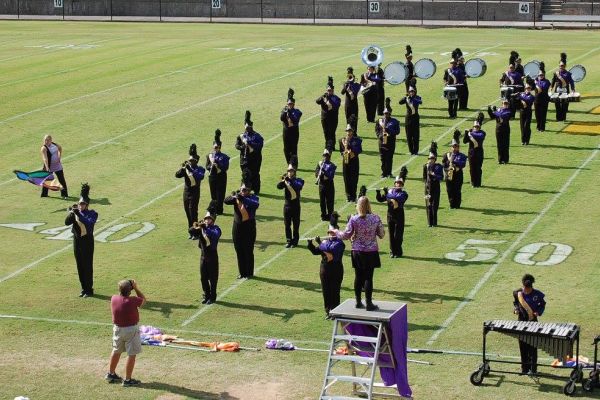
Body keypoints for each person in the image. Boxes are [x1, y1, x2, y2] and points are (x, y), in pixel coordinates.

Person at [333, 194, 384, 311]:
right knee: (368, 278)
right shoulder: (376, 218)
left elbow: (346, 235)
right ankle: (369, 303)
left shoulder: (354, 219)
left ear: (358, 206)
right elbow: (381, 234)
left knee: (358, 276)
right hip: (371, 251)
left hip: (357, 251)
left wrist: (336, 231)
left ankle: (357, 302)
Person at [106, 279, 146, 386]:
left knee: (116, 351)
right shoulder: (132, 300)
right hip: (131, 330)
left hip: (117, 329)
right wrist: (137, 288)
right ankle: (128, 380)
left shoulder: (114, 298)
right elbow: (143, 301)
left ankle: (111, 374)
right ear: (130, 290)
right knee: (132, 354)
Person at [307, 214, 345, 319]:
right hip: (324, 270)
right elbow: (316, 252)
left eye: (332, 232)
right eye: (329, 232)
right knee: (326, 291)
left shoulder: (339, 244)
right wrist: (310, 245)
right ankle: (328, 311)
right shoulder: (326, 242)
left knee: (335, 291)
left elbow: (330, 256)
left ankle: (335, 311)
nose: (330, 234)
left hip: (335, 270)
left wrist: (320, 243)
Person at [65, 183, 98, 297]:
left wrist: (78, 213)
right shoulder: (75, 212)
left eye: (82, 204)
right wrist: (71, 213)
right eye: (79, 204)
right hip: (77, 241)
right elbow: (66, 223)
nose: (80, 205)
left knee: (87, 265)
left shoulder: (93, 213)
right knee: (79, 265)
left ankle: (89, 289)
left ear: (87, 204)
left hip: (87, 242)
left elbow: (89, 224)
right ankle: (83, 288)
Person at [224, 183, 259, 279]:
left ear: (249, 191)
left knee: (248, 249)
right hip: (237, 226)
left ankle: (249, 273)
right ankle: (242, 272)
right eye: (242, 189)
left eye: (245, 190)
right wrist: (235, 196)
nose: (243, 192)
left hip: (249, 226)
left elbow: (255, 204)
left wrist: (242, 198)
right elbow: (226, 201)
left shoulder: (254, 198)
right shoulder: (237, 198)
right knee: (238, 249)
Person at [513, 274, 546, 375]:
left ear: (531, 287)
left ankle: (533, 369)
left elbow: (542, 304)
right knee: (522, 346)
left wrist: (538, 312)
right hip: (521, 322)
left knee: (532, 346)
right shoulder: (518, 293)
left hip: (533, 323)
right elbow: (516, 303)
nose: (525, 291)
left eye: (527, 289)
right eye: (524, 288)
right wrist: (516, 309)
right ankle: (524, 369)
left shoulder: (538, 294)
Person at [189, 212, 221, 304]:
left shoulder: (216, 228)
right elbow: (190, 231)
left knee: (213, 278)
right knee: (203, 278)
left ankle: (213, 297)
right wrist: (198, 225)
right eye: (206, 219)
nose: (207, 220)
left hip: (212, 256)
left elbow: (215, 235)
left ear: (212, 220)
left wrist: (205, 228)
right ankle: (207, 295)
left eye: (209, 219)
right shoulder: (201, 228)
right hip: (203, 256)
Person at [376, 168, 408, 258]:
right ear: (394, 183)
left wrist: (387, 193)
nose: (398, 184)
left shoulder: (404, 193)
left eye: (400, 183)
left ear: (402, 185)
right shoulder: (390, 192)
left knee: (398, 235)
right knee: (391, 234)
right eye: (397, 183)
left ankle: (398, 252)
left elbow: (397, 199)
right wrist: (378, 192)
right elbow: (380, 199)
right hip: (390, 215)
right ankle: (392, 251)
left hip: (399, 215)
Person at [175, 144, 206, 239]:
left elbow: (200, 176)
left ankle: (196, 232)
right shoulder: (186, 169)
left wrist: (190, 169)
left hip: (195, 192)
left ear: (196, 161)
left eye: (192, 161)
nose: (191, 162)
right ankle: (191, 231)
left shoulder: (200, 169)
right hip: (186, 192)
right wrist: (183, 168)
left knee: (193, 212)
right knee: (187, 212)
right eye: (190, 161)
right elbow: (177, 175)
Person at [235, 110, 264, 194]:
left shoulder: (257, 136)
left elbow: (259, 145)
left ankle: (256, 189)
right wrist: (242, 147)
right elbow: (237, 145)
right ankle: (244, 189)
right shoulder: (241, 136)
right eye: (246, 127)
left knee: (255, 174)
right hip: (244, 159)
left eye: (249, 127)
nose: (247, 128)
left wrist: (250, 143)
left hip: (255, 158)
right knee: (245, 174)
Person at [277, 165, 304, 248]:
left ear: (294, 172)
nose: (289, 172)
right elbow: (278, 187)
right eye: (288, 171)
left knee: (296, 224)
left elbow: (298, 187)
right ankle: (289, 240)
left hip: (296, 205)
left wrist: (290, 181)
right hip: (287, 205)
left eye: (291, 171)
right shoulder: (286, 181)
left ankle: (295, 241)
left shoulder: (299, 180)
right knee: (287, 224)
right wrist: (283, 181)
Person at [205, 130, 229, 215]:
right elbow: (207, 166)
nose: (216, 149)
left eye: (217, 147)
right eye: (215, 147)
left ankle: (219, 210)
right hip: (212, 177)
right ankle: (214, 209)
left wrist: (217, 164)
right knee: (213, 194)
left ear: (220, 147)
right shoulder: (209, 155)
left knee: (220, 194)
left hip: (221, 177)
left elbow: (226, 167)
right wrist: (211, 166)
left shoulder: (225, 157)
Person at [442, 131, 468, 209]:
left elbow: (462, 163)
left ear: (458, 147)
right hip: (449, 173)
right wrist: (447, 168)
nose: (454, 148)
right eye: (453, 146)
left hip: (458, 174)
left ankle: (457, 205)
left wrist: (453, 161)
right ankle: (452, 204)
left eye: (456, 146)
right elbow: (443, 164)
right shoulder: (446, 155)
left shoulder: (462, 155)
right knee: (449, 190)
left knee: (457, 189)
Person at [375, 99, 400, 178]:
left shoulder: (395, 121)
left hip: (391, 141)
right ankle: (383, 172)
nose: (386, 115)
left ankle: (389, 172)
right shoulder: (379, 121)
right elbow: (377, 130)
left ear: (390, 114)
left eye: (388, 113)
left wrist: (389, 131)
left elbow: (397, 131)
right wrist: (379, 135)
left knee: (389, 157)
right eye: (385, 113)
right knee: (382, 158)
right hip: (381, 142)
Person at [316, 76, 341, 151]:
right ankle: (327, 145)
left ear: (333, 90)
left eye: (330, 90)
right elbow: (317, 101)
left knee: (332, 132)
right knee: (326, 132)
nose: (329, 92)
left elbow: (335, 107)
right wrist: (322, 97)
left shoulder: (336, 98)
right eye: (328, 90)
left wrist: (328, 101)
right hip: (324, 118)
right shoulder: (324, 97)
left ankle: (332, 146)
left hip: (333, 118)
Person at [339, 123, 362, 202]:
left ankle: (353, 195)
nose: (348, 132)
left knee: (354, 178)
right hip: (345, 161)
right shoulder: (341, 140)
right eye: (347, 131)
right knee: (346, 178)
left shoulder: (357, 140)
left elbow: (359, 150)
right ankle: (348, 196)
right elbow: (341, 152)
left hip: (354, 161)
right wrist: (345, 151)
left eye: (350, 131)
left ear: (352, 131)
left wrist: (350, 149)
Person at [40, 134, 68, 199]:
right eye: (45, 140)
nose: (46, 141)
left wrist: (59, 157)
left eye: (47, 140)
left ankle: (64, 194)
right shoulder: (43, 148)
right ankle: (44, 194)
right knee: (46, 180)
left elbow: (60, 148)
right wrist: (47, 168)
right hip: (48, 167)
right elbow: (45, 158)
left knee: (61, 179)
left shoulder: (55, 145)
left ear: (51, 140)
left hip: (57, 166)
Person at [281, 88, 303, 168]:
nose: (289, 105)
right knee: (286, 149)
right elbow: (281, 118)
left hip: (294, 133)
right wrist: (285, 111)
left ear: (293, 104)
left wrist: (289, 112)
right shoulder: (284, 111)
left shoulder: (297, 111)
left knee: (294, 149)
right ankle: (289, 163)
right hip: (286, 132)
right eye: (288, 104)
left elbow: (295, 119)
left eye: (291, 104)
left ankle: (294, 164)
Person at [423, 143, 443, 227]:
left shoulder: (438, 167)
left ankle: (434, 223)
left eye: (432, 158)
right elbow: (424, 177)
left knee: (435, 205)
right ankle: (429, 223)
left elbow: (441, 177)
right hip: (428, 188)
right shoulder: (425, 166)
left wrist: (434, 174)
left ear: (435, 159)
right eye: (429, 158)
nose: (430, 160)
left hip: (436, 188)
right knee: (428, 205)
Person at [550, 53, 575, 122]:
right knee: (557, 104)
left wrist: (573, 89)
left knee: (565, 104)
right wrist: (551, 87)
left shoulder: (568, 74)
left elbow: (571, 82)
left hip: (565, 90)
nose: (561, 67)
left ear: (565, 66)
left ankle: (563, 118)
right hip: (557, 90)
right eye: (560, 65)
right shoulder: (556, 73)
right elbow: (553, 80)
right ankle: (558, 118)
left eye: (562, 65)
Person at [463, 114, 486, 188]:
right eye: (475, 127)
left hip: (479, 152)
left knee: (478, 168)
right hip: (471, 153)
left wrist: (470, 133)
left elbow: (479, 136)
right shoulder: (470, 133)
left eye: (477, 127)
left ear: (479, 127)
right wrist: (466, 134)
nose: (476, 128)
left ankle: (478, 183)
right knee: (472, 168)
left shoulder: (482, 133)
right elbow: (465, 141)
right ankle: (473, 182)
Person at [398, 86, 422, 155]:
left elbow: (420, 102)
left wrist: (412, 98)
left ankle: (416, 151)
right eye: (410, 92)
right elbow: (400, 102)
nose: (411, 93)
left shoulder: (417, 97)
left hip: (415, 118)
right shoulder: (407, 98)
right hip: (408, 118)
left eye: (412, 91)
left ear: (415, 92)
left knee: (416, 135)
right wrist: (405, 98)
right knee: (409, 135)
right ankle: (411, 151)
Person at [315, 149, 337, 222]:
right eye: (324, 156)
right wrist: (320, 174)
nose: (325, 157)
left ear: (329, 157)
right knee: (322, 202)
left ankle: (330, 216)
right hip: (321, 185)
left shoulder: (332, 165)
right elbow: (316, 173)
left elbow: (330, 176)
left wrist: (324, 172)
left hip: (329, 185)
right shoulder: (320, 164)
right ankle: (323, 216)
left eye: (327, 156)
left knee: (330, 202)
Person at [488, 100, 512, 164]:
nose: (505, 105)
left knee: (505, 145)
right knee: (499, 145)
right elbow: (492, 116)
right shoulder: (499, 111)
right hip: (498, 130)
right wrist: (489, 110)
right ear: (502, 104)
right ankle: (500, 159)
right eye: (504, 104)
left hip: (505, 130)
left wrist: (495, 111)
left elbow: (503, 115)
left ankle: (505, 160)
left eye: (506, 104)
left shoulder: (508, 111)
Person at [341, 67, 361, 134]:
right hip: (348, 103)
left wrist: (352, 84)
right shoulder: (346, 84)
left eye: (351, 77)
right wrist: (346, 86)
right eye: (349, 77)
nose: (350, 78)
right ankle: (349, 132)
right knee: (348, 117)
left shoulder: (357, 85)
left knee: (355, 118)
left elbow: (356, 92)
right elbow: (342, 92)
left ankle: (354, 132)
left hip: (354, 103)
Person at [534, 64, 551, 132]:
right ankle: (538, 126)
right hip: (537, 100)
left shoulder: (546, 81)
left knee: (543, 114)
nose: (540, 76)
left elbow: (541, 89)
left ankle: (542, 128)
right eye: (539, 75)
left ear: (544, 75)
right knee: (537, 114)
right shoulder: (536, 81)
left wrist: (536, 83)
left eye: (542, 75)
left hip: (544, 100)